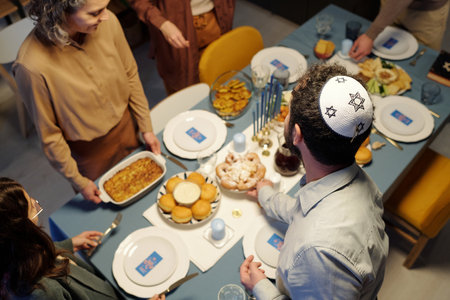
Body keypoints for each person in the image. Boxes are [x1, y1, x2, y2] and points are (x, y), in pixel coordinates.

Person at [239, 64, 389, 299]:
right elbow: (306, 212)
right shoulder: (353, 179)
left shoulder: (319, 253)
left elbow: (317, 230)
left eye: (288, 111)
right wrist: (267, 197)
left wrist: (261, 287)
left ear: (296, 135)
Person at [13, 0, 161, 204]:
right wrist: (79, 181)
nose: (106, 16)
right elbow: (50, 136)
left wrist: (146, 126)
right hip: (90, 155)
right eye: (95, 13)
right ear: (60, 12)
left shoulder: (108, 23)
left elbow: (130, 75)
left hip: (129, 127)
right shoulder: (31, 66)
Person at [0, 177, 165, 300]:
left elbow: (40, 251)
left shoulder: (16, 251)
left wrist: (69, 244)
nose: (36, 203)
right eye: (32, 207)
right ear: (20, 228)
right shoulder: (44, 293)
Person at [129, 0, 235, 94]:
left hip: (215, 19)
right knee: (184, 88)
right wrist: (162, 23)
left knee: (222, 81)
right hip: (176, 28)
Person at [350, 0, 449, 61]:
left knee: (423, 59)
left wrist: (371, 34)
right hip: (391, 5)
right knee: (383, 54)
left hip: (426, 13)